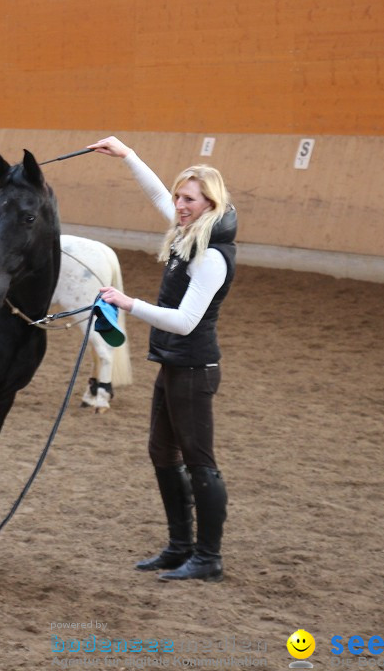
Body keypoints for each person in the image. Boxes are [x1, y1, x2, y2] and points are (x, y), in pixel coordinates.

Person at [88, 136, 236, 582]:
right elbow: (156, 194)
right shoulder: (191, 232)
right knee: (162, 452)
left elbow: (186, 321)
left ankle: (208, 557)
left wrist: (128, 303)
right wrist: (127, 154)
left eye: (189, 198)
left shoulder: (211, 255)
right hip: (174, 364)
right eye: (178, 196)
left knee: (199, 461)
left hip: (193, 367)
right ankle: (179, 546)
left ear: (210, 203)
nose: (178, 204)